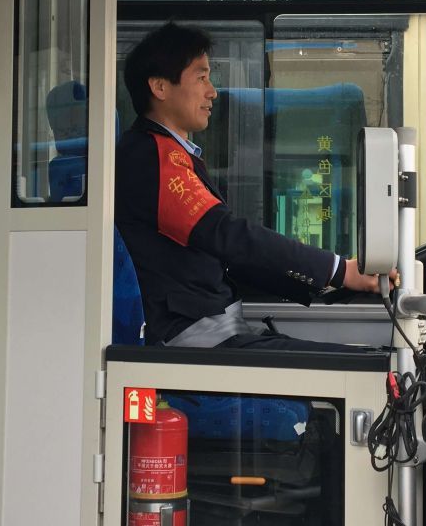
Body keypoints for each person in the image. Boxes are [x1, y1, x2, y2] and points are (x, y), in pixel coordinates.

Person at [115, 22, 385, 351]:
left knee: (360, 360)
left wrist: (328, 281)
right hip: (191, 334)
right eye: (201, 78)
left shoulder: (170, 151)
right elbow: (229, 235)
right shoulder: (151, 156)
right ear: (160, 86)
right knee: (367, 366)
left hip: (215, 323)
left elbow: (228, 255)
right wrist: (339, 270)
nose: (212, 92)